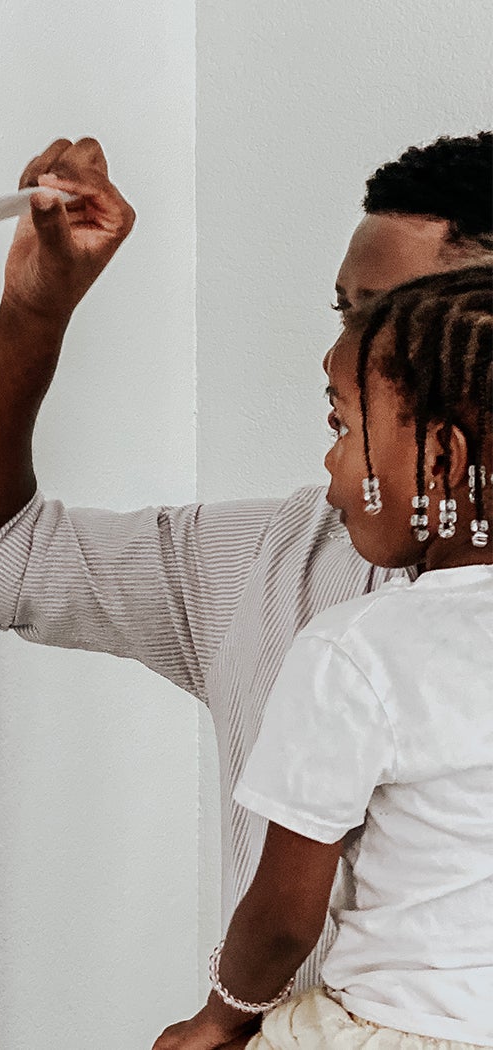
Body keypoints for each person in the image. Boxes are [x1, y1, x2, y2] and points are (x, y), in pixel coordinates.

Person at [0, 131, 493, 1000]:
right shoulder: (282, 556)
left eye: (399, 316)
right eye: (348, 313)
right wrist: (35, 314)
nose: (351, 353)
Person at [154, 265, 493, 1049]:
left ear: (440, 457)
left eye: (340, 427)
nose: (331, 469)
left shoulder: (359, 649)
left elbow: (280, 918)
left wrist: (218, 1018)